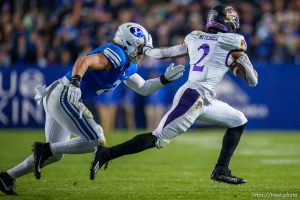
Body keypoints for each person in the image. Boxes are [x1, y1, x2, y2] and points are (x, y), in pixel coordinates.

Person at [0, 22, 185, 195]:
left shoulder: (127, 64)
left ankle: (6, 177)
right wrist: (75, 83)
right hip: (66, 94)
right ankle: (44, 149)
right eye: (140, 47)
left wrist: (164, 80)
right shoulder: (117, 53)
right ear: (128, 43)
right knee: (97, 140)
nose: (142, 53)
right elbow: (84, 61)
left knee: (55, 155)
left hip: (59, 95)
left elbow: (143, 88)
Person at [90, 5, 258, 185]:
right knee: (158, 138)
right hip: (194, 98)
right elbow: (252, 81)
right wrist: (244, 62)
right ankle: (106, 154)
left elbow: (165, 52)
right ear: (229, 22)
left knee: (238, 120)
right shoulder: (233, 41)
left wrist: (146, 50)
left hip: (202, 97)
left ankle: (221, 169)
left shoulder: (195, 37)